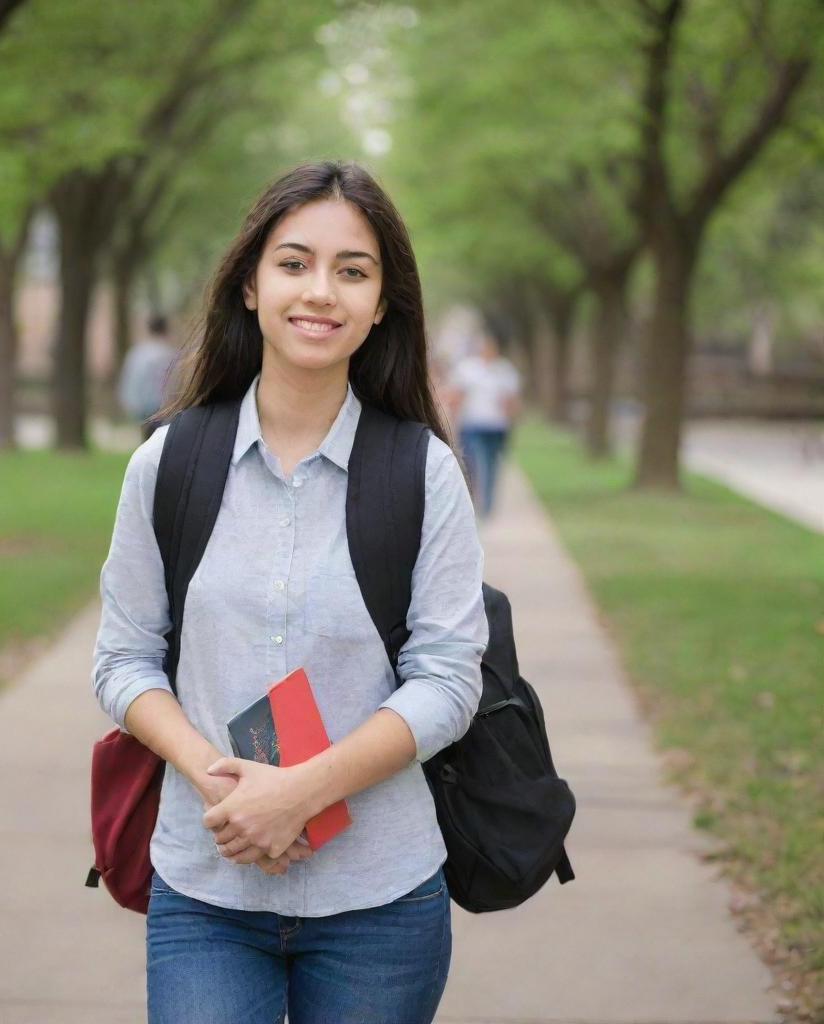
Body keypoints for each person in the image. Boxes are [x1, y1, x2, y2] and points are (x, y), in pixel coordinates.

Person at [92, 162, 487, 1024]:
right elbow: (122, 662)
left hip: (380, 902)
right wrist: (220, 783)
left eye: (353, 270)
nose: (322, 292)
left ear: (382, 303)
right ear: (248, 284)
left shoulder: (423, 474)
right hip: (206, 894)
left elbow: (451, 680)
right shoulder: (169, 463)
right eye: (295, 262)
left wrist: (302, 791)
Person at [448, 332, 521, 517]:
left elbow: (512, 401)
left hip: (496, 427)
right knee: (472, 463)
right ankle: (471, 501)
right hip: (472, 425)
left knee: (491, 464)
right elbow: (456, 397)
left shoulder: (504, 370)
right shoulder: (467, 369)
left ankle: (487, 505)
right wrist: (454, 421)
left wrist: (510, 418)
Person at [116, 314, 176, 441]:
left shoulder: (138, 353)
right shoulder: (171, 354)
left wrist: (130, 403)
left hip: (145, 409)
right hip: (165, 408)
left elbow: (130, 381)